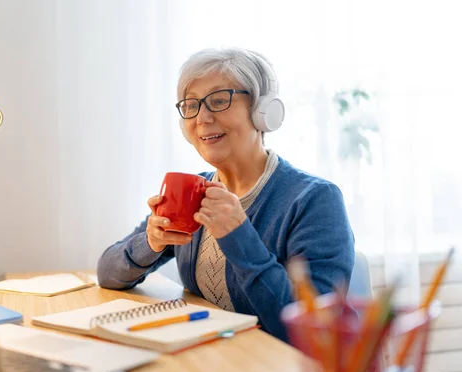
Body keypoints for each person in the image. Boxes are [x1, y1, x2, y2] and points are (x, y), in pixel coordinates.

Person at [97, 47, 355, 343]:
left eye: (219, 101)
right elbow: (107, 272)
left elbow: (310, 331)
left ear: (262, 111)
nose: (202, 118)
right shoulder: (194, 191)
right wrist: (150, 243)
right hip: (220, 361)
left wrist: (238, 235)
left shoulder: (315, 200)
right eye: (190, 105)